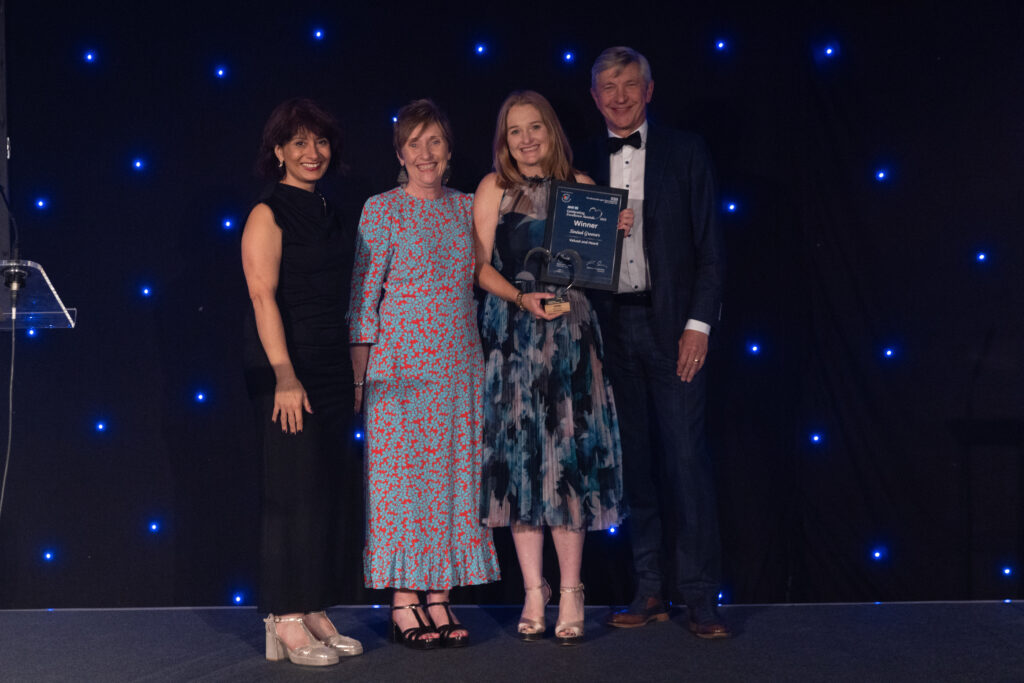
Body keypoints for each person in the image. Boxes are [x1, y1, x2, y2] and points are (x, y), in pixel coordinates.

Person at [580, 47, 729, 639]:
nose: (618, 96)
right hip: (611, 331)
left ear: (649, 90)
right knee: (634, 465)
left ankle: (699, 597)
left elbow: (712, 248)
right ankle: (649, 590)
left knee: (686, 462)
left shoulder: (687, 151)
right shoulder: (583, 158)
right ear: (594, 96)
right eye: (607, 87)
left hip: (673, 330)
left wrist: (699, 325)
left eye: (629, 84)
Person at [474, 90, 630, 645]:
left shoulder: (583, 190)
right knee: (520, 463)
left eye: (535, 127)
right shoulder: (493, 188)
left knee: (569, 460)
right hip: (515, 337)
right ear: (504, 140)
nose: (527, 139)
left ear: (552, 132)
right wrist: (522, 302)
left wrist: (615, 234)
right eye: (515, 130)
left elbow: (597, 270)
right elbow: (481, 269)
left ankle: (571, 590)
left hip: (569, 338)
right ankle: (533, 592)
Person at [348, 99, 500, 650]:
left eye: (433, 141)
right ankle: (404, 601)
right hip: (400, 369)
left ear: (450, 149)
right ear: (399, 152)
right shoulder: (381, 208)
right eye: (413, 143)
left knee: (454, 482)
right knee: (402, 486)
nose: (424, 153)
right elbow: (364, 300)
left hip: (461, 364)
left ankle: (440, 598)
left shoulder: (467, 207)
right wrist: (360, 381)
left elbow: (494, 266)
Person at [241, 98, 364, 666]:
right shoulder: (268, 213)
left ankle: (312, 605)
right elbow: (263, 295)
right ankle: (283, 616)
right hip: (289, 369)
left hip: (334, 364)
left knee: (325, 491)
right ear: (279, 152)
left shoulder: (333, 211)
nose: (312, 153)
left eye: (320, 142)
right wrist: (284, 375)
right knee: (290, 493)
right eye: (299, 144)